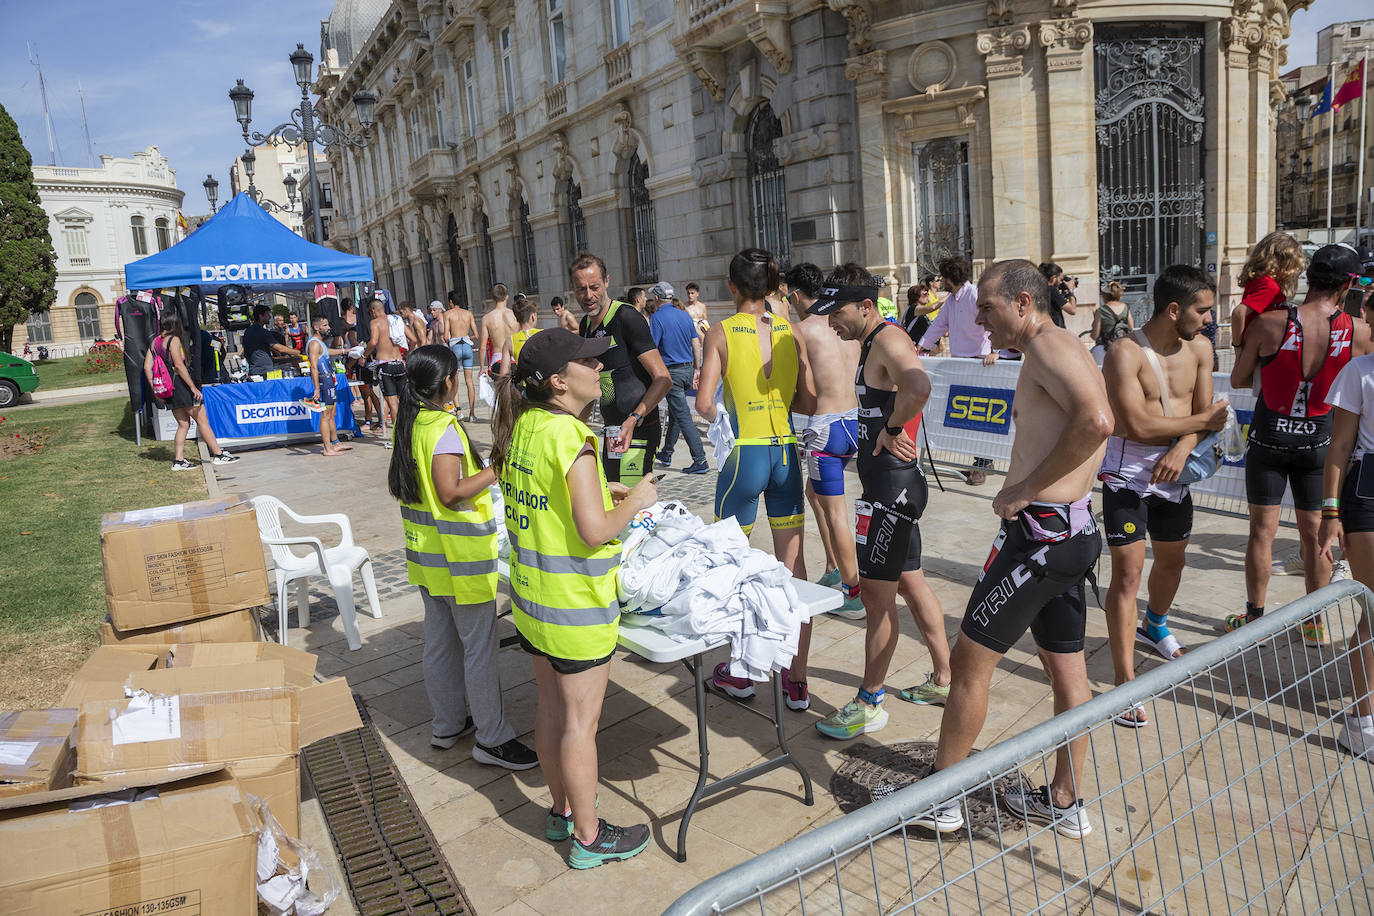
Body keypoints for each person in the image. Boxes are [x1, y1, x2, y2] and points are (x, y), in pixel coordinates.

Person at [922, 259, 1111, 837]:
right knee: (1068, 674)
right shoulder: (1058, 348)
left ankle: (942, 800)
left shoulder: (1051, 348)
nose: (979, 320)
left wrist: (1027, 488)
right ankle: (1065, 802)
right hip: (1069, 534)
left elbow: (1099, 421)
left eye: (987, 308)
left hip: (1041, 538)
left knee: (967, 664)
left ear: (1024, 304)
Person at [490, 327, 659, 868]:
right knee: (580, 726)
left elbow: (549, 500)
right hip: (574, 607)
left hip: (534, 602)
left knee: (549, 708)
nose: (601, 369)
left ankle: (562, 809)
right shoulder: (571, 437)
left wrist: (596, 491)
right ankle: (588, 838)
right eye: (590, 362)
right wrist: (635, 500)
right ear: (561, 382)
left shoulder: (526, 426)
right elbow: (593, 531)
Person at [806, 264, 953, 739]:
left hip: (892, 489)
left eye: (838, 313)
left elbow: (920, 387)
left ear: (865, 306)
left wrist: (891, 430)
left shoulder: (888, 339)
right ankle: (945, 678)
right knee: (911, 582)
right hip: (891, 487)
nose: (831, 322)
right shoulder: (872, 341)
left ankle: (869, 700)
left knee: (877, 599)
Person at [387, 344, 537, 769]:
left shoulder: (412, 422)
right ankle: (492, 738)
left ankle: (448, 723)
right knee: (478, 650)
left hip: (428, 557)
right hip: (460, 559)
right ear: (449, 381)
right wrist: (497, 468)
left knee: (439, 644)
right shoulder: (442, 429)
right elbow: (450, 493)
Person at [1099, 267, 1228, 723]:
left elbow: (1206, 413)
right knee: (1128, 575)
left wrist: (1185, 445)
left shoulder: (1202, 348)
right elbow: (1135, 424)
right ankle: (1123, 682)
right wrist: (1199, 428)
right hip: (1127, 473)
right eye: (1203, 309)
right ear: (1174, 309)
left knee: (1173, 562)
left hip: (1175, 472)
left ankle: (1154, 625)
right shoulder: (1123, 352)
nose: (1210, 318)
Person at [1229, 244, 1372, 640]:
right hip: (1321, 442)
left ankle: (1254, 619)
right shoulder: (1359, 332)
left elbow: (1239, 379)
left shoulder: (1272, 322)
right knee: (1315, 536)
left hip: (1271, 435)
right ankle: (1314, 622)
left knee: (1262, 532)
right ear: (1347, 285)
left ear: (1308, 277)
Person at [696, 248, 817, 709]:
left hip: (744, 456)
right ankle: (797, 678)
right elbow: (807, 403)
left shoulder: (721, 332)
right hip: (785, 452)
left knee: (733, 567)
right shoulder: (790, 331)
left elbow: (706, 403)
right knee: (794, 568)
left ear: (731, 287)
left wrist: (725, 414)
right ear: (771, 287)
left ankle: (742, 672)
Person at [786, 263, 863, 618]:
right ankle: (835, 568)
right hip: (852, 423)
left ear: (796, 295)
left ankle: (853, 591)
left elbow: (803, 388)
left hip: (827, 428)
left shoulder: (802, 329)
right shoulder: (843, 323)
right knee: (814, 494)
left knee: (836, 515)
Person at [1316, 336, 1374, 758]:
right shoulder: (1359, 372)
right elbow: (1339, 446)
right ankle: (1360, 723)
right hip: (1367, 495)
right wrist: (1331, 513)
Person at [573, 253, 672, 485]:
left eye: (594, 287)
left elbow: (663, 379)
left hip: (638, 428)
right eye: (581, 289)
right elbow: (592, 381)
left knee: (632, 501)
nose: (588, 296)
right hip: (612, 429)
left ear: (607, 281)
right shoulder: (585, 324)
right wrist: (578, 425)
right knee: (613, 495)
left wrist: (634, 418)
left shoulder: (627, 317)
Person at [917, 256, 996, 484]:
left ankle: (982, 463)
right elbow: (939, 324)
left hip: (980, 362)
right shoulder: (951, 300)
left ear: (952, 277)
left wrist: (995, 349)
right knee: (968, 414)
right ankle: (981, 460)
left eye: (944, 277)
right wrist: (922, 346)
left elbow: (992, 320)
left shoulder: (974, 295)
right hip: (961, 363)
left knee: (980, 414)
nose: (941, 282)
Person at [144, 315, 239, 470]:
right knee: (202, 420)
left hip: (168, 388)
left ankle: (179, 461)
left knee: (183, 424)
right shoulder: (173, 340)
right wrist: (193, 387)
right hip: (181, 386)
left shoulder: (154, 342)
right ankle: (218, 454)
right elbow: (179, 366)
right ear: (176, 325)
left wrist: (155, 387)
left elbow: (147, 367)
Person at [649, 283, 708, 474]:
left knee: (683, 416)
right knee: (676, 413)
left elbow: (652, 348)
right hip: (687, 369)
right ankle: (667, 453)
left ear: (657, 298)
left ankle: (700, 460)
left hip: (672, 372)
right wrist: (697, 368)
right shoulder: (684, 314)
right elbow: (695, 343)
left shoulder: (657, 317)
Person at [1232, 231, 1305, 351]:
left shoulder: (1260, 280)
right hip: (1258, 350)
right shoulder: (1269, 286)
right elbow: (1238, 313)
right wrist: (1238, 347)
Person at [301, 314, 353, 456]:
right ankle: (327, 448)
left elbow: (325, 352)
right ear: (316, 327)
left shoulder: (320, 342)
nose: (328, 327)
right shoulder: (314, 343)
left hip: (329, 380)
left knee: (332, 413)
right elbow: (313, 366)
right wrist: (317, 387)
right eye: (325, 325)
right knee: (325, 415)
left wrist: (345, 351)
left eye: (328, 325)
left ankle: (335, 442)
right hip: (324, 381)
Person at [364, 298, 407, 447]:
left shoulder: (375, 322)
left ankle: (398, 439)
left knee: (392, 402)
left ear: (373, 311)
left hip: (385, 365)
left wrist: (364, 354)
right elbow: (413, 338)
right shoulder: (396, 320)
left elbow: (373, 342)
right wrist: (406, 354)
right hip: (400, 363)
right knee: (404, 401)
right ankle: (408, 434)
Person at [443, 290, 479, 421]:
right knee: (469, 381)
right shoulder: (468, 314)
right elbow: (476, 335)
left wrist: (451, 342)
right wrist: (466, 337)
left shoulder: (448, 314)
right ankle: (472, 413)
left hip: (455, 347)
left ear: (451, 302)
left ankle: (459, 412)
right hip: (467, 346)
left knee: (454, 381)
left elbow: (445, 336)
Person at [242, 304, 300, 373]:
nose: (269, 317)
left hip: (254, 369)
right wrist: (298, 352)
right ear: (260, 316)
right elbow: (280, 349)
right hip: (264, 370)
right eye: (267, 314)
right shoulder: (262, 331)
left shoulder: (248, 331)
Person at [479, 283, 517, 377]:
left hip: (497, 359)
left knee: (500, 390)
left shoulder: (487, 318)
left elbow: (483, 346)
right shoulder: (515, 315)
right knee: (516, 390)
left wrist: (481, 368)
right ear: (507, 296)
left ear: (492, 298)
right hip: (514, 358)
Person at [902, 276, 944, 347]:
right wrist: (949, 296)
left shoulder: (922, 312)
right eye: (925, 294)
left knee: (941, 346)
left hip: (921, 350)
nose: (928, 296)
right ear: (916, 296)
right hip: (911, 347)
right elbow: (933, 307)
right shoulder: (914, 309)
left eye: (927, 294)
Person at [1092, 281, 1134, 350]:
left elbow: (1095, 336)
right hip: (1124, 346)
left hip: (1107, 348)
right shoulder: (1126, 307)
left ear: (1105, 296)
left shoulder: (1100, 311)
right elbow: (1131, 328)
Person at [1037, 262, 1079, 329]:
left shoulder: (1040, 289)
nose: (1061, 282)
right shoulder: (1052, 290)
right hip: (1055, 331)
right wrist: (1071, 290)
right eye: (1061, 279)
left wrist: (1064, 294)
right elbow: (1072, 310)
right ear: (1053, 278)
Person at [505, 297, 541, 365]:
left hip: (523, 374)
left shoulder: (510, 341)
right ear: (533, 316)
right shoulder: (544, 334)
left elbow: (504, 373)